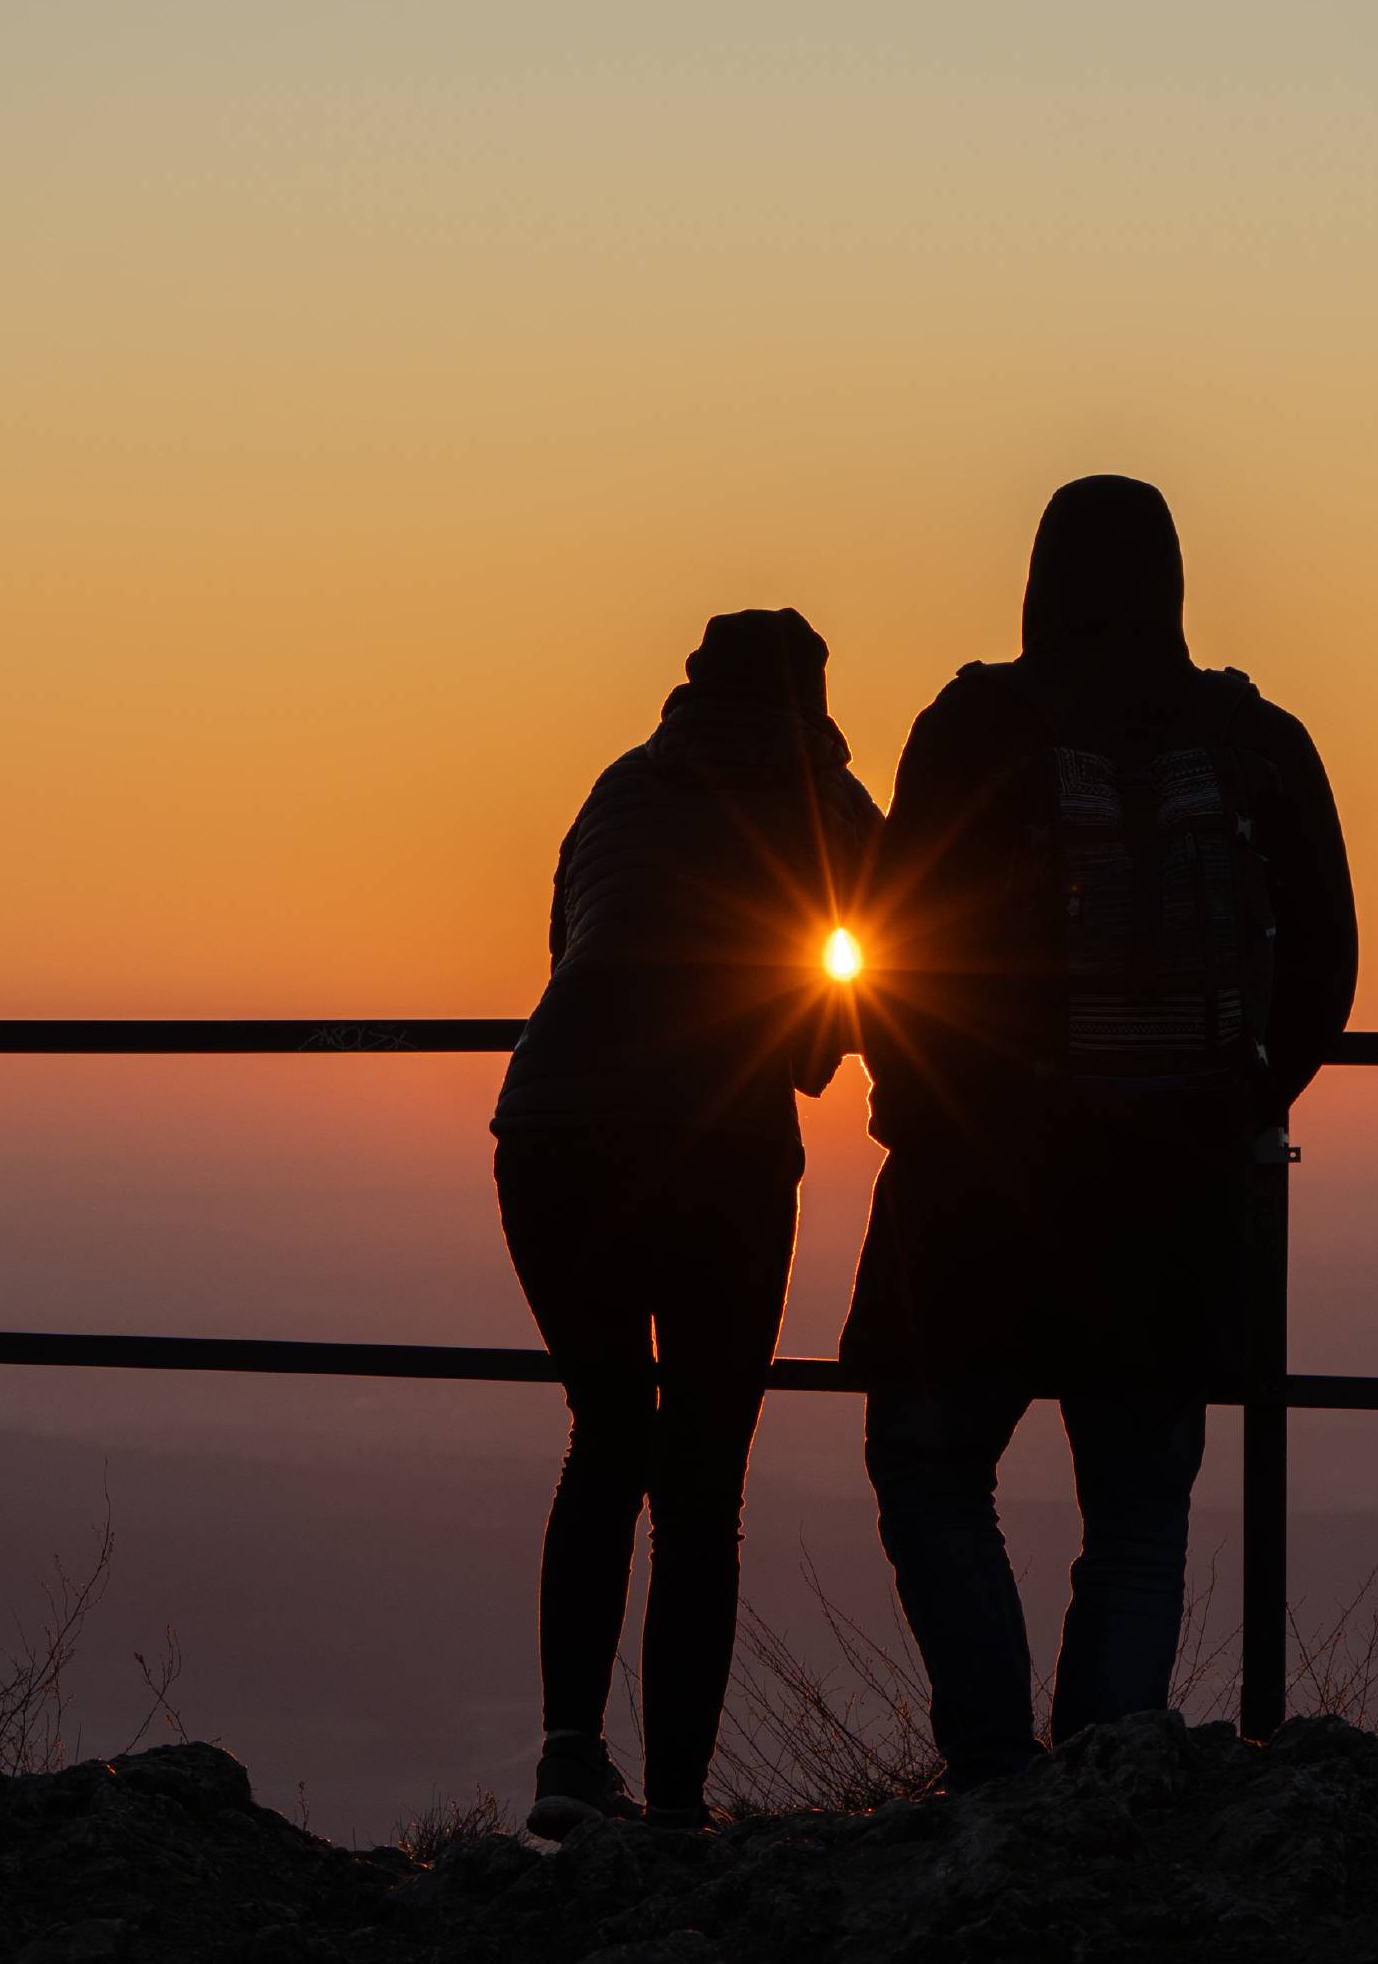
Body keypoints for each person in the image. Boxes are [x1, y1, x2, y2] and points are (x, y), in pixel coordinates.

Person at [840, 475, 1356, 1789]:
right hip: (1176, 1192)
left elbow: (892, 938)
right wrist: (1241, 1097)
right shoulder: (1259, 739)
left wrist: (921, 1105)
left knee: (930, 1458)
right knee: (1136, 1519)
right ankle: (1104, 1799)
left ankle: (997, 1775)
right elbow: (1330, 960)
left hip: (980, 1188)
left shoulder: (973, 727)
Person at [492, 608, 882, 1836]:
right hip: (716, 1140)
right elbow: (910, 948)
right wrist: (816, 1039)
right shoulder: (827, 795)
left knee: (606, 1436)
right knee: (702, 1479)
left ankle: (568, 1764)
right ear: (811, 701)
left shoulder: (621, 783)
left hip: (551, 1124)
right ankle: (674, 1813)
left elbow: (569, 942)